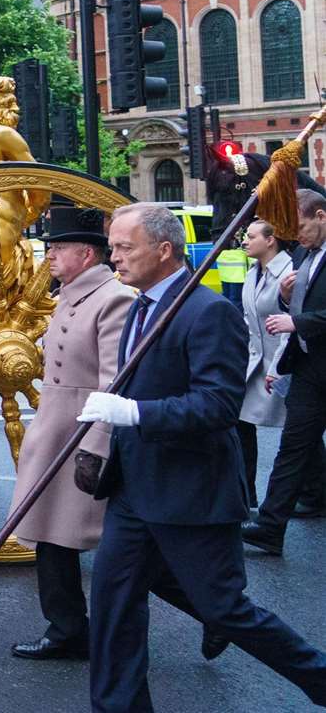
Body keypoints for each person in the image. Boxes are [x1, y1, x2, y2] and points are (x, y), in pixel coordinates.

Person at [79, 203, 326, 711]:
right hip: (133, 490)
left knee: (226, 610)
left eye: (125, 248)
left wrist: (133, 412)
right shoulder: (140, 304)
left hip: (190, 491)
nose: (114, 257)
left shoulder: (206, 310)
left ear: (163, 250)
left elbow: (217, 405)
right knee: (112, 606)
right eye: (113, 247)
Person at [7, 207, 133, 661]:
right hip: (55, 428)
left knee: (122, 547)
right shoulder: (71, 295)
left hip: (80, 434)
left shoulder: (111, 298)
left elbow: (112, 380)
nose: (49, 257)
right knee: (49, 535)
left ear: (85, 253)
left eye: (56, 249)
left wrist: (96, 446)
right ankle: (67, 629)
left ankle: (216, 612)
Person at [243, 190, 326, 555]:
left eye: (302, 226)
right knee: (294, 445)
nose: (297, 235)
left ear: (321, 215)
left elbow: (302, 318)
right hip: (310, 367)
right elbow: (298, 306)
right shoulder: (307, 255)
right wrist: (287, 298)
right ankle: (270, 526)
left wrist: (297, 320)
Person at [236, 220, 317, 511]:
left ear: (271, 240)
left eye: (252, 236)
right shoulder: (252, 272)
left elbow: (290, 323)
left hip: (285, 362)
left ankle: (313, 493)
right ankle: (246, 499)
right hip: (257, 363)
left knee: (300, 429)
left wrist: (279, 367)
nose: (245, 241)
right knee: (241, 420)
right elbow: (249, 321)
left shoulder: (291, 272)